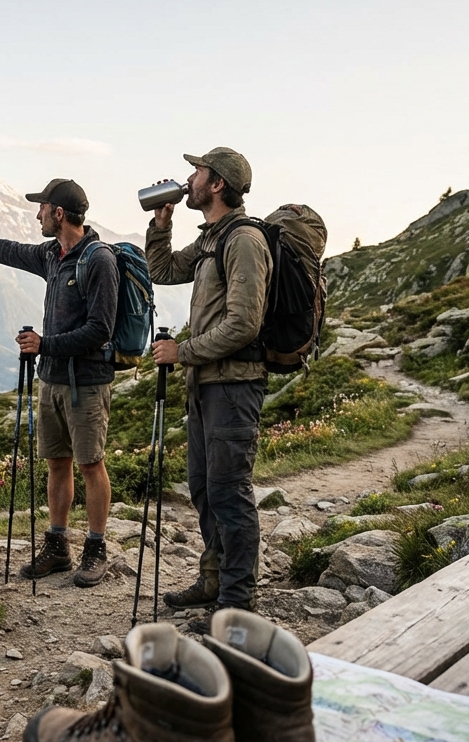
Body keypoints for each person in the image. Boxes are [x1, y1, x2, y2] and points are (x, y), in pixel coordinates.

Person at [0, 179, 119, 587]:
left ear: (59, 214)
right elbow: (9, 251)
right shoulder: (53, 254)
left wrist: (44, 343)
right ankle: (57, 547)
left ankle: (96, 547)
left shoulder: (98, 260)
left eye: (42, 208)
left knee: (90, 464)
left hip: (86, 383)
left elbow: (100, 330)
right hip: (51, 379)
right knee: (56, 463)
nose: (37, 214)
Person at [144, 148, 271, 633]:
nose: (188, 178)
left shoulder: (242, 240)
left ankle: (237, 604)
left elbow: (244, 322)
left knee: (228, 491)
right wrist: (161, 223)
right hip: (208, 384)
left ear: (216, 183)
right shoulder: (212, 238)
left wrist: (185, 351)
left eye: (197, 172)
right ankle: (214, 580)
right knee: (203, 488)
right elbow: (162, 271)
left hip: (234, 386)